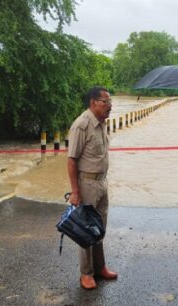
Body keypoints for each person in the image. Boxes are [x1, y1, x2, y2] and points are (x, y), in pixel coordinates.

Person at [67, 86, 117, 290]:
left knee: (99, 229)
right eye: (105, 102)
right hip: (86, 184)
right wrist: (75, 192)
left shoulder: (102, 123)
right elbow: (71, 160)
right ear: (93, 102)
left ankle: (100, 267)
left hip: (102, 182)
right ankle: (86, 274)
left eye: (110, 102)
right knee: (86, 231)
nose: (109, 106)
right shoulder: (82, 124)